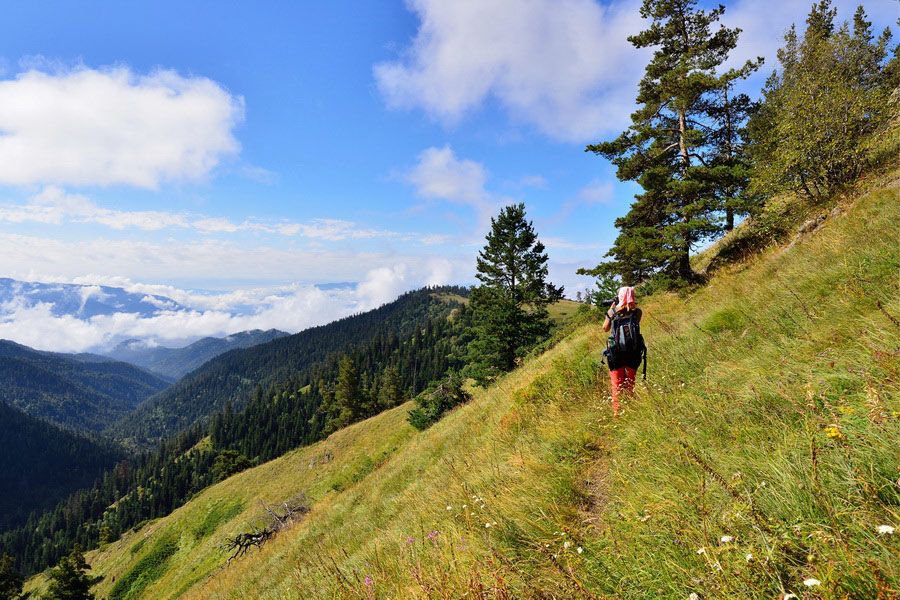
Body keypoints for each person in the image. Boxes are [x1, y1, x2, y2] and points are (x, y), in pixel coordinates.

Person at [601, 286, 644, 415]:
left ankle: (617, 414)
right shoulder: (637, 312)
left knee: (617, 385)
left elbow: (605, 329)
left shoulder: (613, 312)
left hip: (616, 354)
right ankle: (631, 410)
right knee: (630, 384)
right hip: (633, 351)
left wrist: (612, 310)